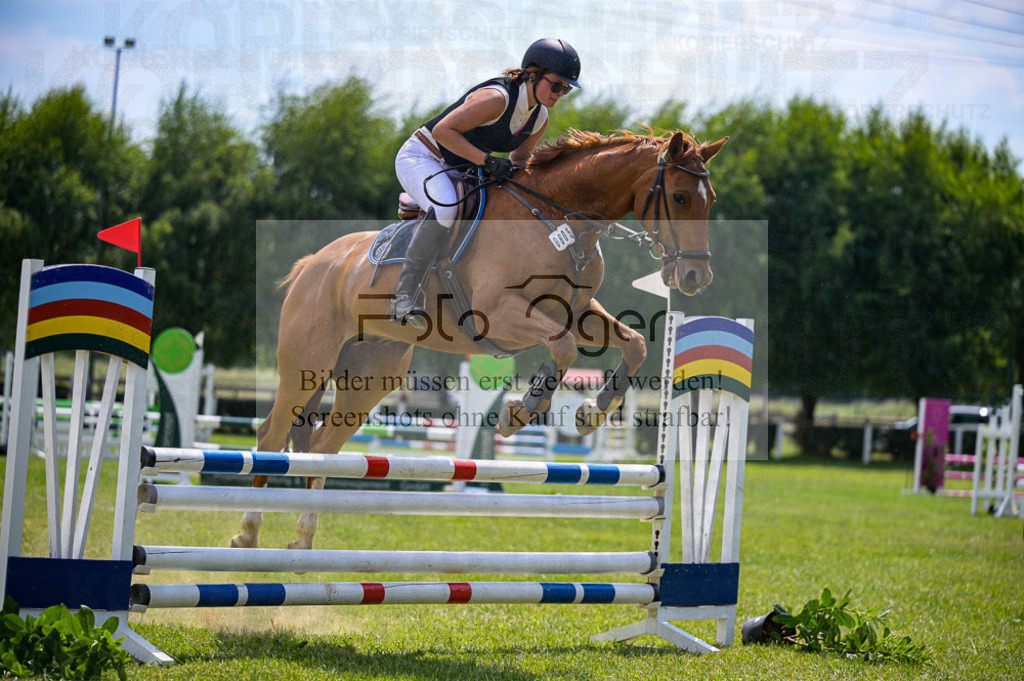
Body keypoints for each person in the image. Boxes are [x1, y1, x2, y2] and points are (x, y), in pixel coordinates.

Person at [390, 38, 582, 329]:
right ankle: (403, 297)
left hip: (463, 168)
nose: (560, 93)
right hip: (424, 156)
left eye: (565, 89)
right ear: (532, 74)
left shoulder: (539, 115)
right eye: (556, 85)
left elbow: (520, 158)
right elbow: (443, 131)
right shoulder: (498, 98)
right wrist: (487, 160)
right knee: (445, 208)